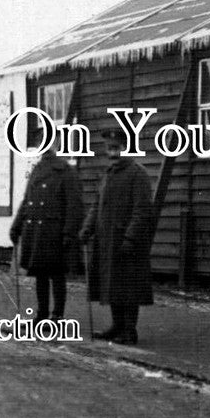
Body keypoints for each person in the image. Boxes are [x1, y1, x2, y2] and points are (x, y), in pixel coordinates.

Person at [80, 127, 156, 345]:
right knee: (111, 284)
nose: (112, 153)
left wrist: (131, 238)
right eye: (109, 148)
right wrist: (87, 228)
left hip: (127, 242)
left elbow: (142, 210)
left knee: (128, 286)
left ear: (126, 148)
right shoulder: (108, 175)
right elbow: (97, 206)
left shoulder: (137, 173)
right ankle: (116, 326)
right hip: (106, 241)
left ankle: (129, 330)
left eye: (116, 148)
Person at [9, 132, 82, 323]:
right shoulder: (37, 169)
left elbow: (74, 206)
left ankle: (57, 315)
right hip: (36, 231)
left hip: (54, 232)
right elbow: (27, 200)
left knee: (57, 274)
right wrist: (16, 226)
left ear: (57, 144)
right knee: (40, 274)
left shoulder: (66, 171)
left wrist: (68, 233)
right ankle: (41, 314)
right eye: (42, 142)